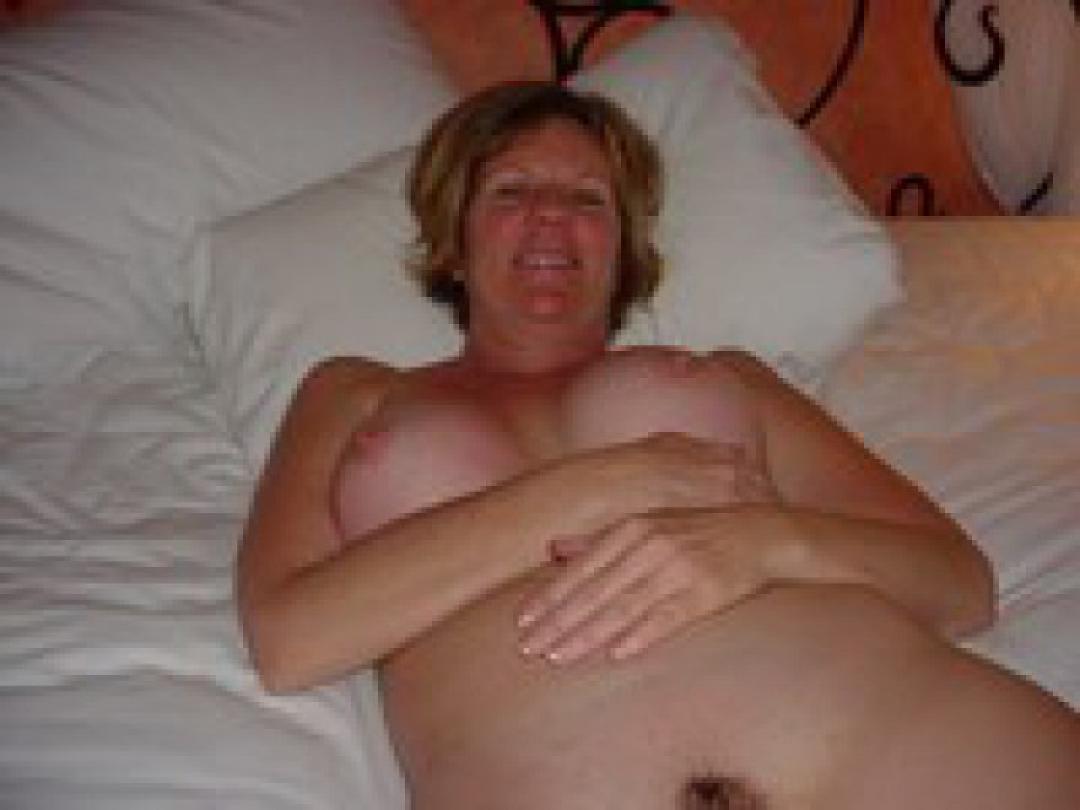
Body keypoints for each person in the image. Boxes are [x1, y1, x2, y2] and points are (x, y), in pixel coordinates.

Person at [237, 82, 1080, 809]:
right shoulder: (354, 394)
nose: (551, 216)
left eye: (589, 200)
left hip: (938, 751)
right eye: (511, 191)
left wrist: (763, 544)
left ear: (625, 249)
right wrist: (598, 488)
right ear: (453, 241)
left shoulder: (730, 379)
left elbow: (960, 582)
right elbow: (290, 639)